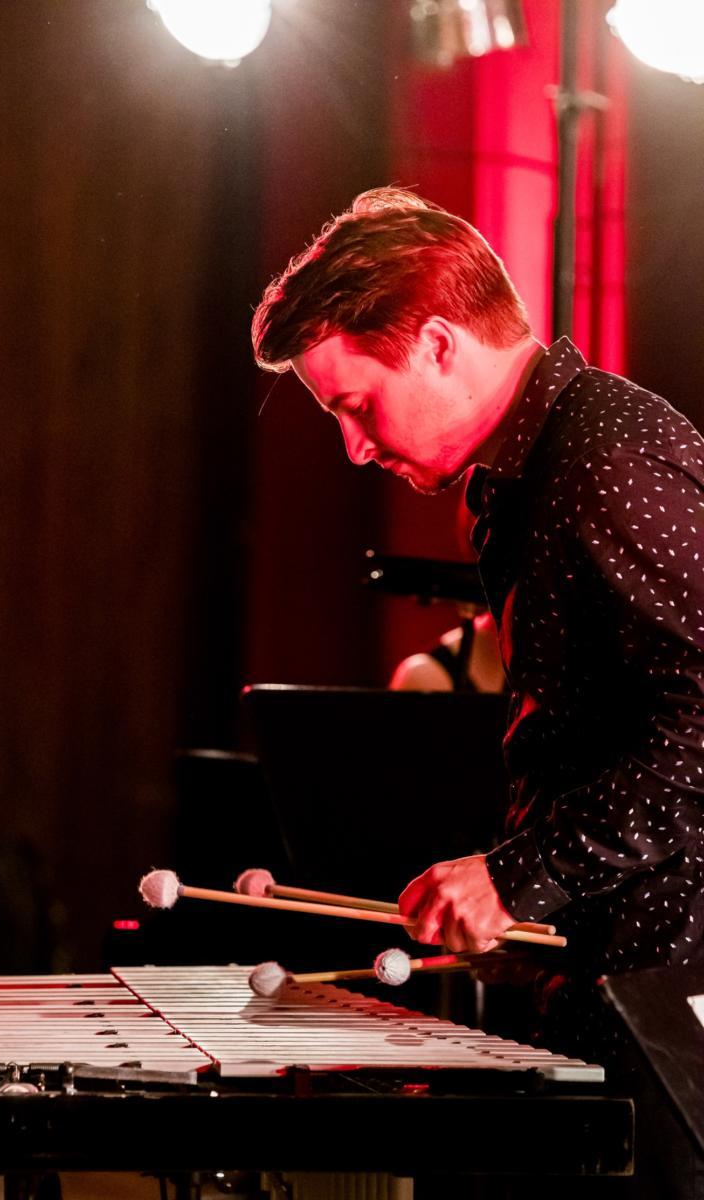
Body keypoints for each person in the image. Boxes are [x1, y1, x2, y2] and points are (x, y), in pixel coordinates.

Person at [251, 187, 704, 1197]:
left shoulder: (606, 459)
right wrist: (525, 912)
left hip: (670, 1004)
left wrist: (521, 875)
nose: (355, 448)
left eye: (354, 405)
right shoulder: (522, 478)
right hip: (606, 987)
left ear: (439, 344)